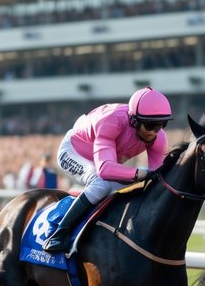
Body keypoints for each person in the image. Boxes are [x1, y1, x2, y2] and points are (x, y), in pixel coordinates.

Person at [42, 86, 171, 254]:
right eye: (150, 125)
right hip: (74, 152)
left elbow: (159, 178)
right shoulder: (112, 120)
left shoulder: (158, 137)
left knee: (136, 188)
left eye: (161, 125)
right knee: (101, 184)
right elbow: (104, 169)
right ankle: (60, 233)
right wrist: (139, 173)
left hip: (105, 160)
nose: (154, 132)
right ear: (134, 120)